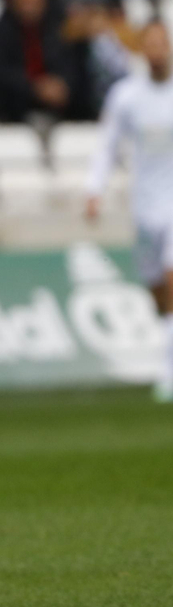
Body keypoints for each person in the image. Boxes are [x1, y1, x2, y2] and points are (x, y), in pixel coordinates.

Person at [85, 21, 173, 401]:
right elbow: (108, 144)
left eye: (161, 42)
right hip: (145, 205)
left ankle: (168, 370)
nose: (156, 49)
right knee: (157, 289)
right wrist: (94, 188)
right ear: (140, 49)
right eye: (149, 43)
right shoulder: (126, 96)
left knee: (172, 281)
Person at [0, 0, 75, 121]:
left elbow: (70, 65)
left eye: (34, 2)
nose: (29, 7)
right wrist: (35, 88)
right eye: (24, 1)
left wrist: (62, 84)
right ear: (11, 0)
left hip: (54, 107)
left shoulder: (58, 31)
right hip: (8, 111)